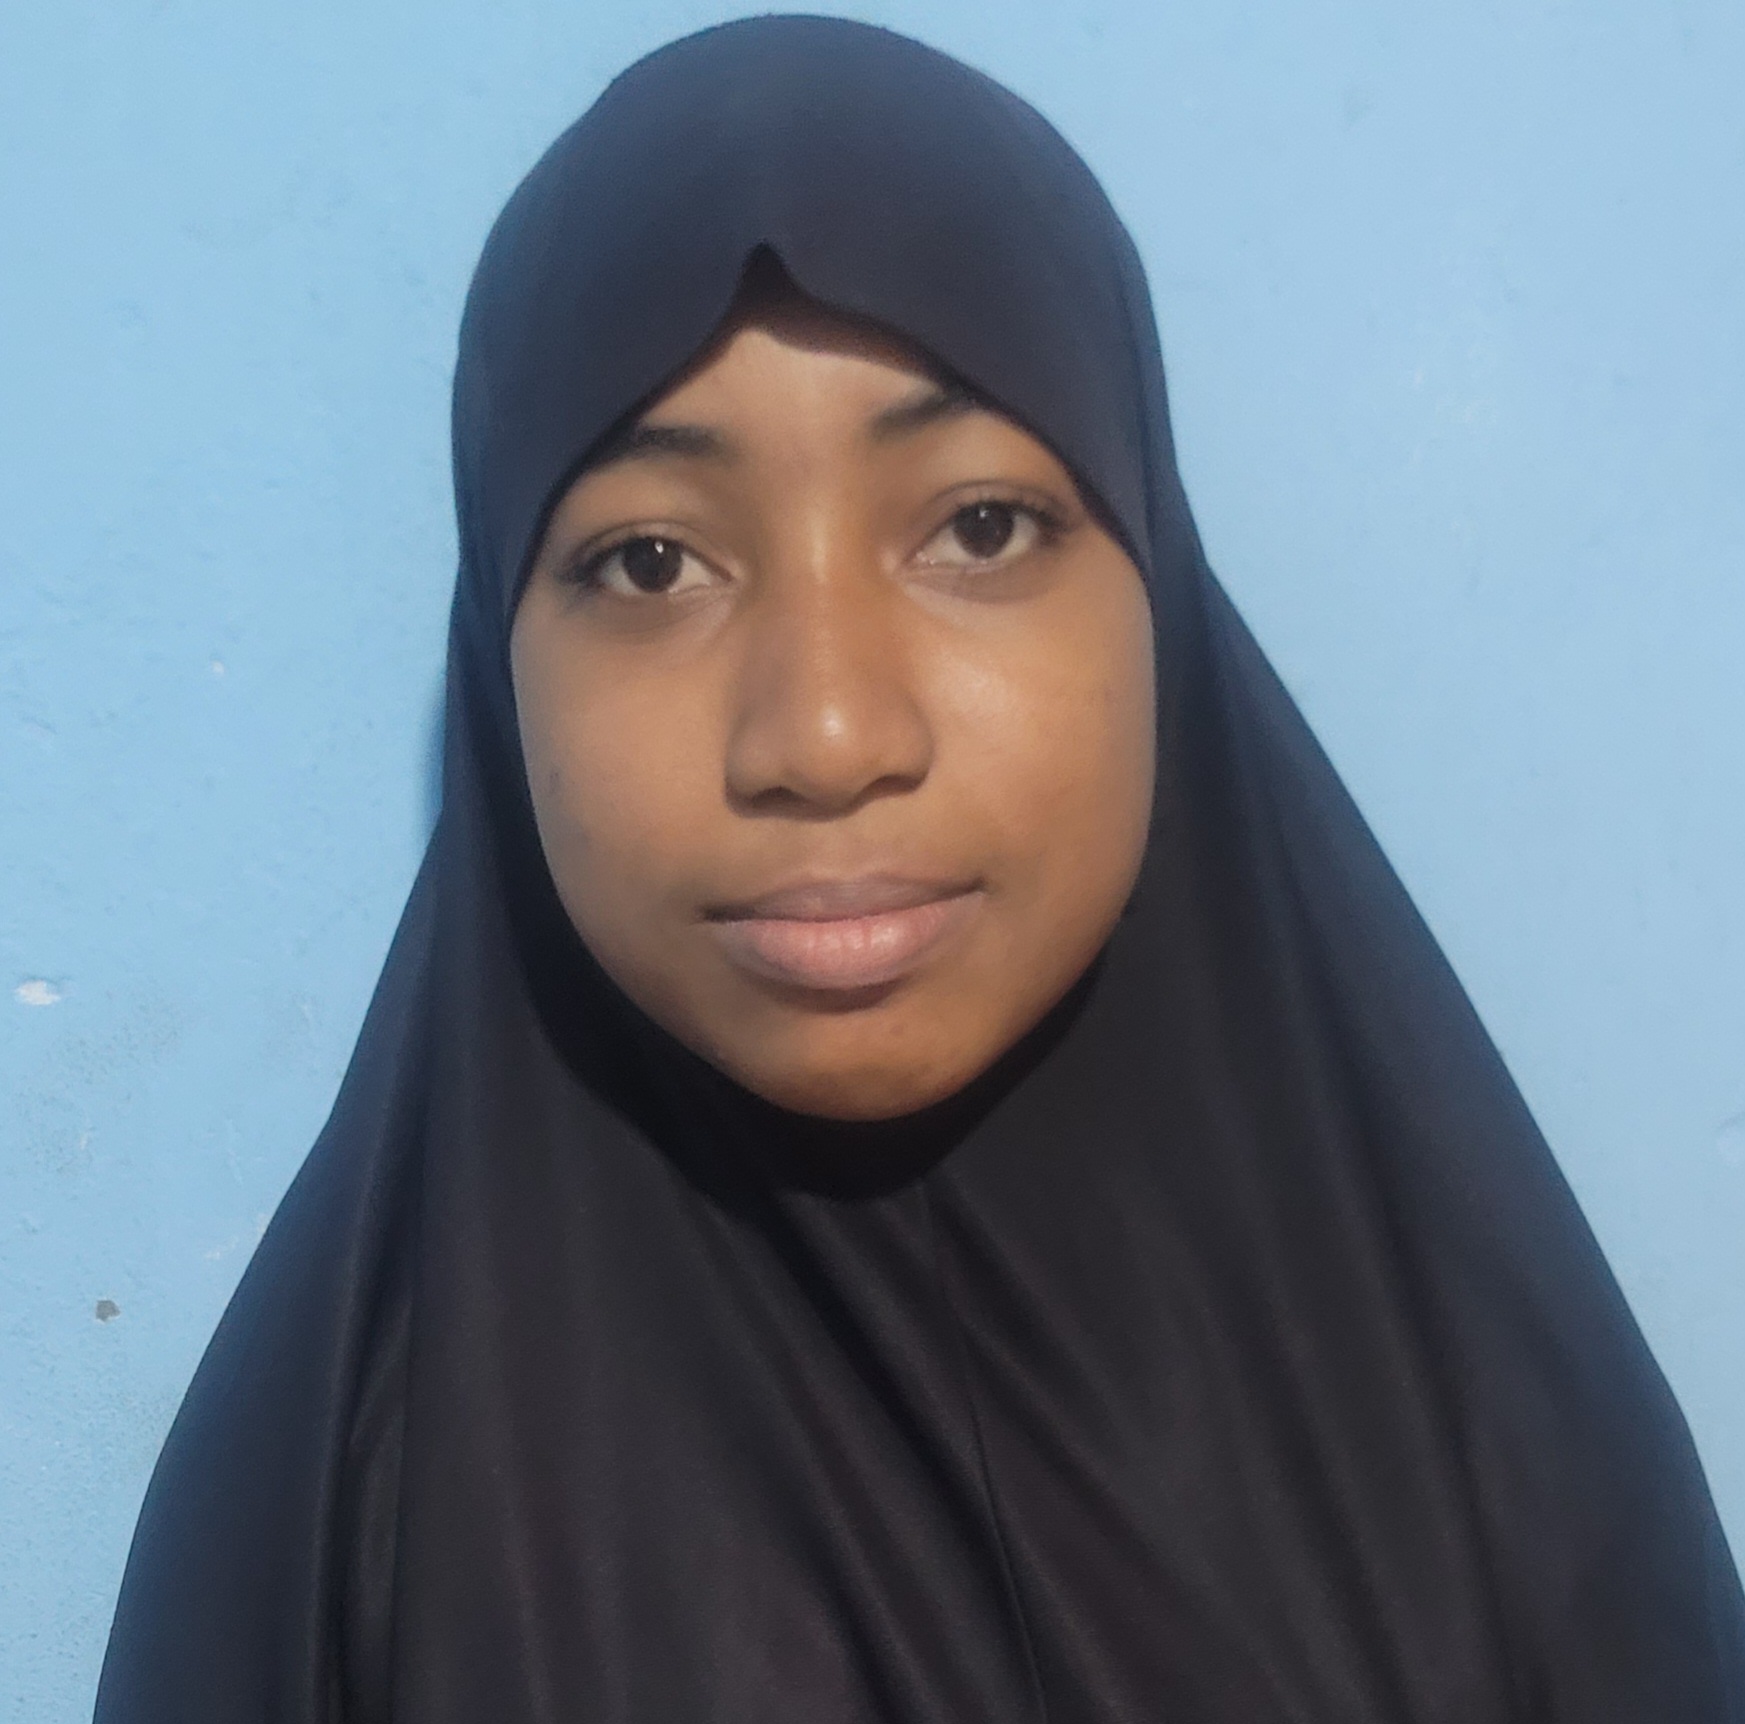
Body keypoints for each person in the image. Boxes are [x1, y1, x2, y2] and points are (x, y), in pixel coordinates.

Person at [95, 16, 1745, 1722]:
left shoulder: (1504, 1452)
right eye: (649, 561)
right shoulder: (329, 1541)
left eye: (978, 526)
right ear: (501, 661)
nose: (824, 732)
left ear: (1155, 580)